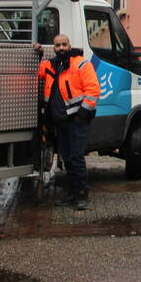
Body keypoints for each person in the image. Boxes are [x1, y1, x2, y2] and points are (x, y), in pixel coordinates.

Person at [35, 34, 100, 211]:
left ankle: (81, 195)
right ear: (54, 48)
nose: (61, 48)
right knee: (68, 159)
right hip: (60, 122)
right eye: (57, 45)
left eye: (64, 44)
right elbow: (40, 72)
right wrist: (39, 53)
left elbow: (93, 90)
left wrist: (82, 114)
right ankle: (72, 194)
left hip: (77, 121)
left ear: (69, 46)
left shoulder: (81, 64)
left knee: (76, 158)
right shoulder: (52, 65)